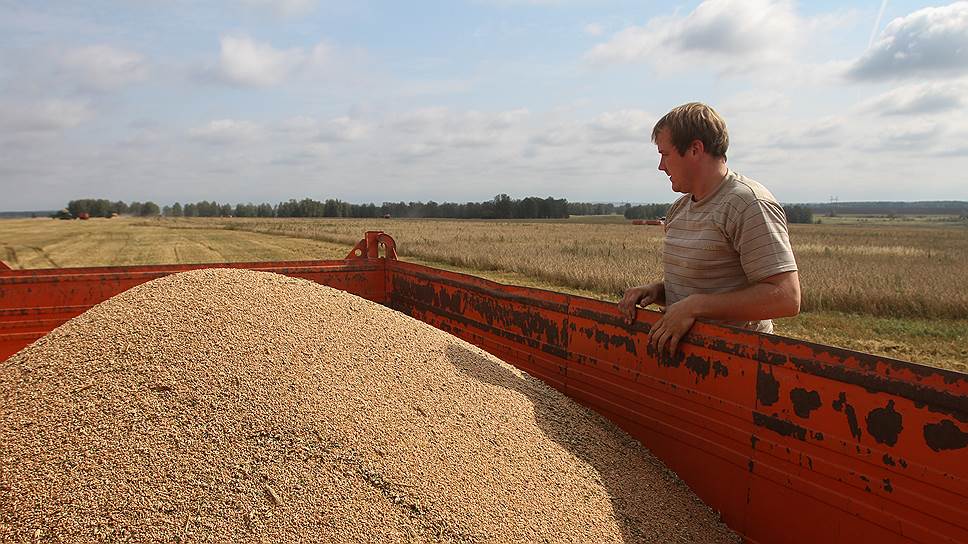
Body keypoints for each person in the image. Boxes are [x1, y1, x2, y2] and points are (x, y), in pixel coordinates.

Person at [618, 102, 800, 356]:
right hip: (691, 359)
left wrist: (695, 306)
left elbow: (785, 298)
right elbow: (705, 286)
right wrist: (658, 291)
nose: (661, 166)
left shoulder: (748, 204)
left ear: (695, 149)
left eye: (665, 154)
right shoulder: (679, 209)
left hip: (739, 360)